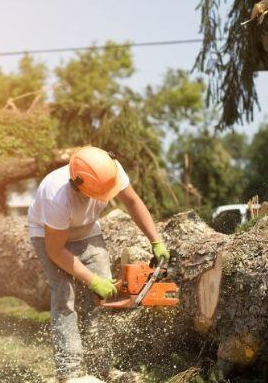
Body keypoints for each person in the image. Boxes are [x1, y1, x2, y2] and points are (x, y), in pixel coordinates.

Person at [27, 146, 172, 382]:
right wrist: (92, 280)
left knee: (103, 299)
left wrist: (155, 240)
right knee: (65, 297)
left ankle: (102, 367)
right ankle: (69, 372)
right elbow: (55, 251)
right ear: (78, 185)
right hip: (48, 236)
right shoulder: (55, 195)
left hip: (87, 231)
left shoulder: (109, 170)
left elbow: (133, 202)